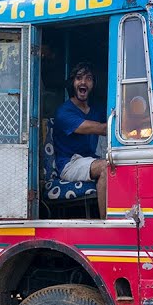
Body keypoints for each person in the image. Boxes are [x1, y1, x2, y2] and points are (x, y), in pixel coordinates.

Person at [52, 61, 108, 218]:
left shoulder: (96, 108)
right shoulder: (64, 112)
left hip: (89, 159)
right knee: (106, 167)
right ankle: (107, 224)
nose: (83, 82)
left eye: (88, 78)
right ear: (72, 83)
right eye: (79, 78)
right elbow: (102, 128)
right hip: (70, 164)